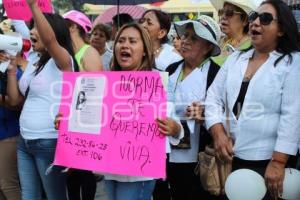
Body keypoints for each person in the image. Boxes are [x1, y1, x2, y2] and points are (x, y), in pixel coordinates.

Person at [205, 0, 300, 199]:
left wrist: (279, 161)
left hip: (269, 164)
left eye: (264, 18)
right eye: (253, 17)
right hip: (232, 160)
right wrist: (217, 131)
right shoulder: (235, 59)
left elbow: (292, 115)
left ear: (281, 29)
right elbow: (213, 97)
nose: (255, 22)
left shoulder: (292, 62)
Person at [105, 22, 183, 200]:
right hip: (110, 168)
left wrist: (174, 128)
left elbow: (177, 127)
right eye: (121, 40)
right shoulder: (106, 81)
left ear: (145, 51)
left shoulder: (158, 81)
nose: (125, 45)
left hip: (138, 173)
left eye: (132, 41)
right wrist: (69, 122)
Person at [5, 0, 75, 199]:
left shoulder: (63, 60)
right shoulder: (36, 60)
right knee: (29, 195)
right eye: (32, 28)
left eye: (36, 28)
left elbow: (51, 41)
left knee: (55, 196)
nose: (32, 33)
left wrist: (34, 7)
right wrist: (11, 71)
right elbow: (14, 101)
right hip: (25, 141)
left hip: (48, 141)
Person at [166, 15, 222, 200]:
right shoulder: (171, 69)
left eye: (194, 38)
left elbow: (228, 112)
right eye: (185, 36)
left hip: (200, 161)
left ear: (208, 47)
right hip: (168, 154)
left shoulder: (217, 74)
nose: (185, 41)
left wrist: (205, 114)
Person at [210, 0, 256, 65]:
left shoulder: (253, 47)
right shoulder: (216, 42)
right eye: (221, 12)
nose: (223, 16)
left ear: (245, 20)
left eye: (229, 13)